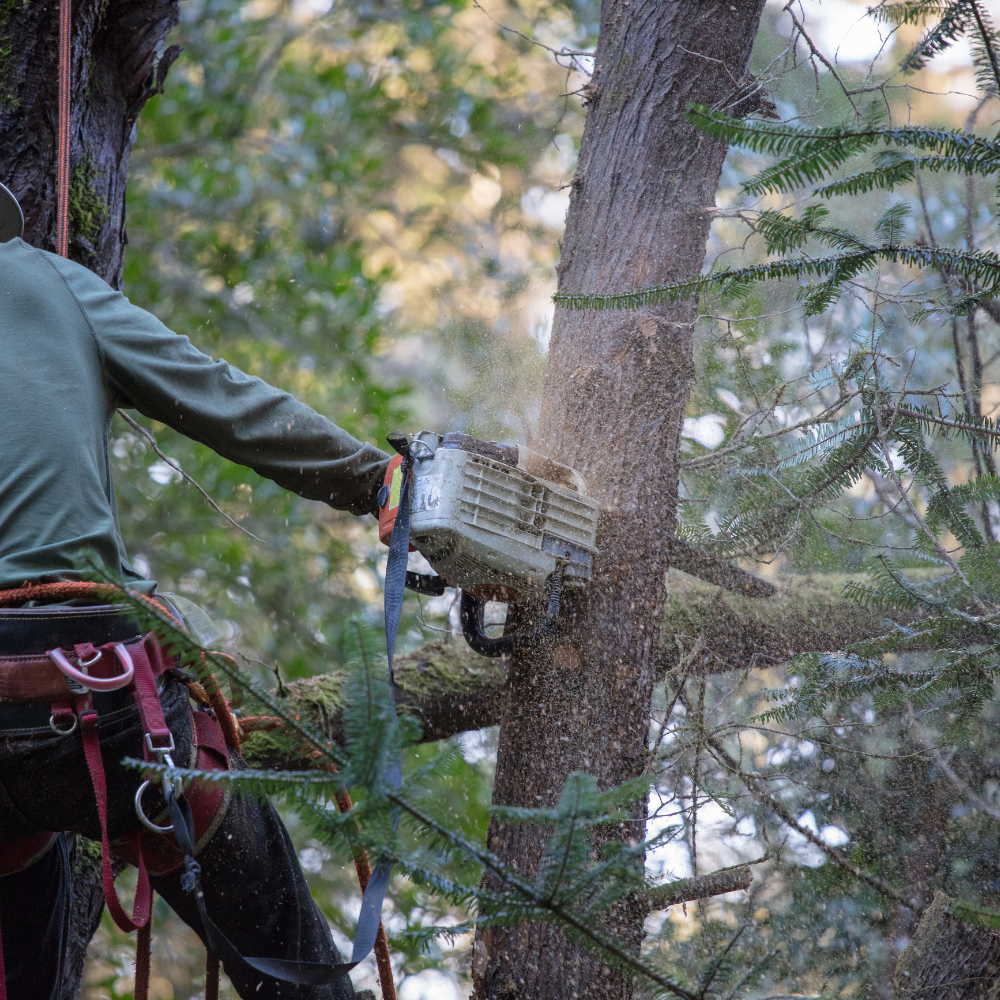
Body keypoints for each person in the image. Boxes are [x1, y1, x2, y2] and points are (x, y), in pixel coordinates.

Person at [0, 181, 389, 1000]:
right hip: (87, 693)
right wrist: (377, 479)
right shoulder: (43, 277)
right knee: (291, 957)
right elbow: (224, 400)